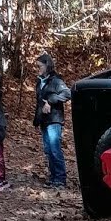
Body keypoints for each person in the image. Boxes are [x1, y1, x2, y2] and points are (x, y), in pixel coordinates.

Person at [33, 52, 71, 188]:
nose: (38, 68)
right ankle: (53, 177)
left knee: (55, 149)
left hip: (54, 120)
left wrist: (51, 100)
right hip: (44, 120)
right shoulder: (40, 82)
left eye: (40, 66)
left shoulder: (56, 81)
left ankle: (60, 179)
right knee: (48, 150)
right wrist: (37, 119)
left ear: (47, 65)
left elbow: (67, 93)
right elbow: (39, 102)